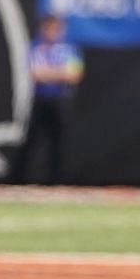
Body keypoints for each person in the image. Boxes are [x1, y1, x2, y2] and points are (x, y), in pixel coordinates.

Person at [17, 14, 83, 184]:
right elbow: (36, 73)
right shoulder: (36, 46)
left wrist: (50, 72)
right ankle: (18, 180)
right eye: (51, 27)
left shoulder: (69, 47)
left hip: (61, 100)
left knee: (60, 143)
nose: (54, 31)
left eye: (58, 27)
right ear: (44, 28)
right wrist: (60, 72)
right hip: (41, 99)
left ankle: (58, 181)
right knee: (32, 141)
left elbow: (75, 74)